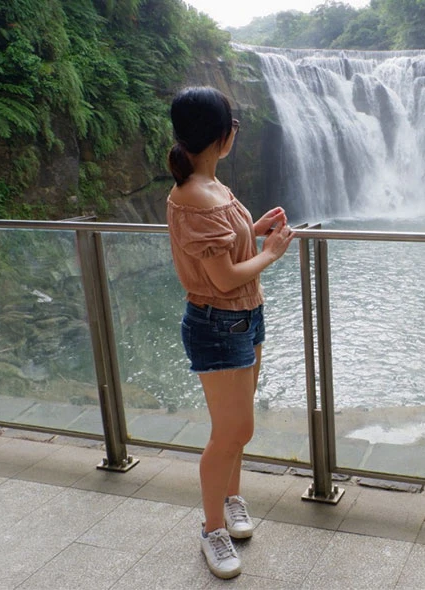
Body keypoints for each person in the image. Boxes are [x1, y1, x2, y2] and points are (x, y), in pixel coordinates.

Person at [165, 86, 294, 579]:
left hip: (244, 316)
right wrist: (272, 253)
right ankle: (211, 529)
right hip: (218, 322)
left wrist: (255, 229)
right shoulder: (197, 199)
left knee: (238, 427)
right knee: (232, 431)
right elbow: (222, 277)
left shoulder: (213, 187)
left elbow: (226, 251)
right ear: (223, 136)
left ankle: (231, 498)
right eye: (233, 125)